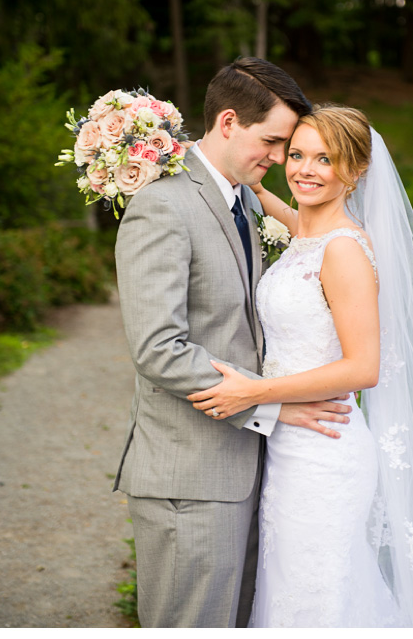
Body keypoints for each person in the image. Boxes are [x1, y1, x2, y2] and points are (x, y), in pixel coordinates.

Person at [188, 104, 413, 628]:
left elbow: (363, 368)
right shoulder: (309, 235)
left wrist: (256, 393)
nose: (304, 170)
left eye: (324, 160)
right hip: (291, 450)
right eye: (296, 155)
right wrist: (229, 175)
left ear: (356, 172)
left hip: (325, 454)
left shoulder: (344, 252)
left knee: (320, 599)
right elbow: (288, 217)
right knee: (293, 591)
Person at [111, 59, 356, 629]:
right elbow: (157, 347)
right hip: (189, 476)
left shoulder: (244, 199)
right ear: (228, 122)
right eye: (273, 142)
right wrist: (272, 403)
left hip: (253, 470)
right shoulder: (162, 204)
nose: (279, 158)